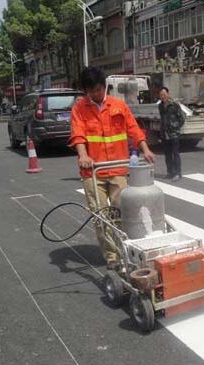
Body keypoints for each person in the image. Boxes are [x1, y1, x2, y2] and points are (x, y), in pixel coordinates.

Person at [69, 66, 156, 270]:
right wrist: (83, 155)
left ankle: (125, 250)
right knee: (101, 216)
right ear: (86, 91)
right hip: (93, 171)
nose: (96, 94)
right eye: (91, 91)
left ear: (104, 86)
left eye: (99, 90)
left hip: (117, 168)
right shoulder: (79, 109)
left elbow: (133, 129)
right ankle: (112, 258)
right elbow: (78, 134)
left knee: (120, 213)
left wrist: (145, 149)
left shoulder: (118, 105)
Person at [158, 86, 185, 182]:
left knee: (175, 154)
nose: (162, 96)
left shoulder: (174, 105)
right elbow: (162, 119)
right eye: (161, 95)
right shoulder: (160, 106)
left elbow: (182, 118)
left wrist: (175, 128)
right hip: (164, 134)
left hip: (174, 134)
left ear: (168, 94)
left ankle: (178, 173)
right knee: (167, 154)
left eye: (164, 94)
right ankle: (170, 172)